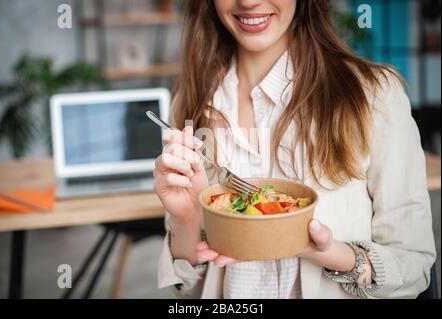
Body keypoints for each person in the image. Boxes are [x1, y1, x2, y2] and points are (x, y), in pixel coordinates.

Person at [154, 0, 436, 298]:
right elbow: (189, 293)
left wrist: (334, 255)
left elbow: (414, 266)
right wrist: (186, 220)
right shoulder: (188, 102)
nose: (248, 2)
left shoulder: (375, 96)